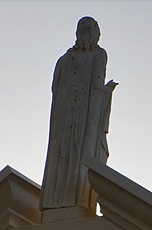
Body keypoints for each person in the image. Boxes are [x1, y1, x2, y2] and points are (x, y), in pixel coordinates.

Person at [40, 16, 116, 211]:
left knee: (70, 155)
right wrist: (107, 91)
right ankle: (69, 199)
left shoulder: (66, 60)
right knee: (75, 154)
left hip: (70, 117)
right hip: (77, 117)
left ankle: (64, 199)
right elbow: (95, 88)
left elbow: (56, 89)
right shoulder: (93, 56)